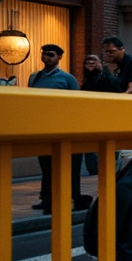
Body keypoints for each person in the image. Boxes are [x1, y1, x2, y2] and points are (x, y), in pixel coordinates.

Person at [28, 44, 88, 214]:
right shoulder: (35, 77)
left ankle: (72, 196)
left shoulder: (67, 79)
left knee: (67, 165)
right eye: (44, 54)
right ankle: (46, 198)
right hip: (42, 127)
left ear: (59, 57)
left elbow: (76, 104)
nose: (46, 58)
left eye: (51, 55)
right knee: (46, 165)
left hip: (62, 126)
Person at [80, 53, 118, 175]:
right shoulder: (88, 80)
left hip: (104, 120)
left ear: (100, 64)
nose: (90, 64)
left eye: (93, 62)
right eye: (88, 62)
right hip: (89, 120)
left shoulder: (107, 79)